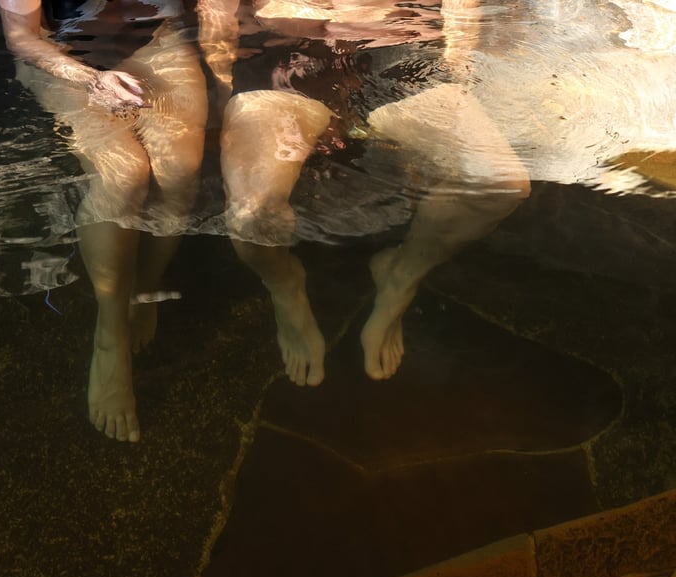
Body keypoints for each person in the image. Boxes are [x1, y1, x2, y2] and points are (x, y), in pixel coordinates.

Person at [198, 0, 530, 383]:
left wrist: (457, 59)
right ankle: (285, 285)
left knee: (500, 182)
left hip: (396, 42)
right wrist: (220, 81)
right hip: (283, 50)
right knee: (251, 211)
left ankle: (401, 276)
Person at [0, 0, 207, 441]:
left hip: (153, 38)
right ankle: (110, 335)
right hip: (63, 55)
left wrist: (224, 72)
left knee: (180, 172)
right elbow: (21, 37)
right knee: (125, 172)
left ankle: (146, 285)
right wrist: (90, 79)